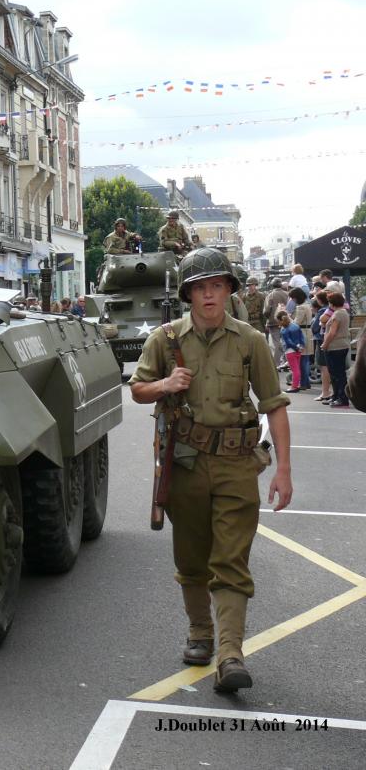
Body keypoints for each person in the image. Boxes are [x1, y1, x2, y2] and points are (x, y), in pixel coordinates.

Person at [129, 247, 292, 693]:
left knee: (231, 561)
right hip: (185, 465)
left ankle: (230, 655)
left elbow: (274, 406)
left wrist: (284, 471)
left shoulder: (250, 342)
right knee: (192, 557)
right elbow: (139, 390)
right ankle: (201, 633)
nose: (209, 295)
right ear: (188, 294)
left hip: (238, 464)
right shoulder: (164, 340)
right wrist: (165, 383)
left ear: (228, 291)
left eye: (217, 286)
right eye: (201, 287)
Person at [320, 291, 351, 408]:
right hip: (340, 345)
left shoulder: (337, 314)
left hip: (335, 346)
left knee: (337, 374)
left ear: (332, 303)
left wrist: (325, 344)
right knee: (336, 373)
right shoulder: (343, 312)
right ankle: (336, 396)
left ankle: (342, 398)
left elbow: (332, 332)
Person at [290, 289, 313, 391]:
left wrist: (287, 317)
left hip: (302, 333)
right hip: (308, 332)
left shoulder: (300, 307)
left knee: (302, 360)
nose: (292, 300)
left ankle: (303, 383)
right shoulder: (307, 305)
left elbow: (296, 323)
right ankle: (306, 382)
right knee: (306, 360)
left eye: (293, 298)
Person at [263, 281, 289, 370]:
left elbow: (266, 310)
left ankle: (276, 363)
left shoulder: (270, 295)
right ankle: (286, 361)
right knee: (286, 341)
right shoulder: (287, 294)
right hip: (286, 321)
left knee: (276, 343)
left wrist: (267, 318)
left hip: (273, 322)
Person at [277, 311, 303, 392]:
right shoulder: (296, 326)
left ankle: (294, 386)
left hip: (290, 351)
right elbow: (302, 337)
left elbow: (288, 342)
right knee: (298, 368)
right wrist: (301, 346)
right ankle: (297, 384)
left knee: (294, 370)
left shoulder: (284, 330)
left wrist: (295, 348)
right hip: (299, 349)